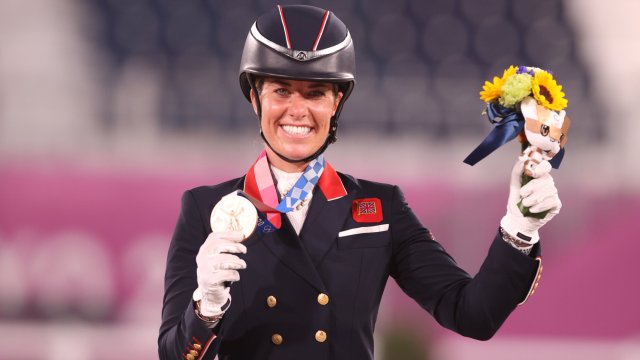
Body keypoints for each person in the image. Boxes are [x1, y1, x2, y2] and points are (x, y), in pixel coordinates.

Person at [158, 5, 560, 360]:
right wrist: (205, 307)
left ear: (336, 103)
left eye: (315, 93)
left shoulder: (381, 208)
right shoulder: (205, 208)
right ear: (255, 98)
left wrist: (519, 231)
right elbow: (174, 356)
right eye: (281, 90)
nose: (297, 110)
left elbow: (471, 313)